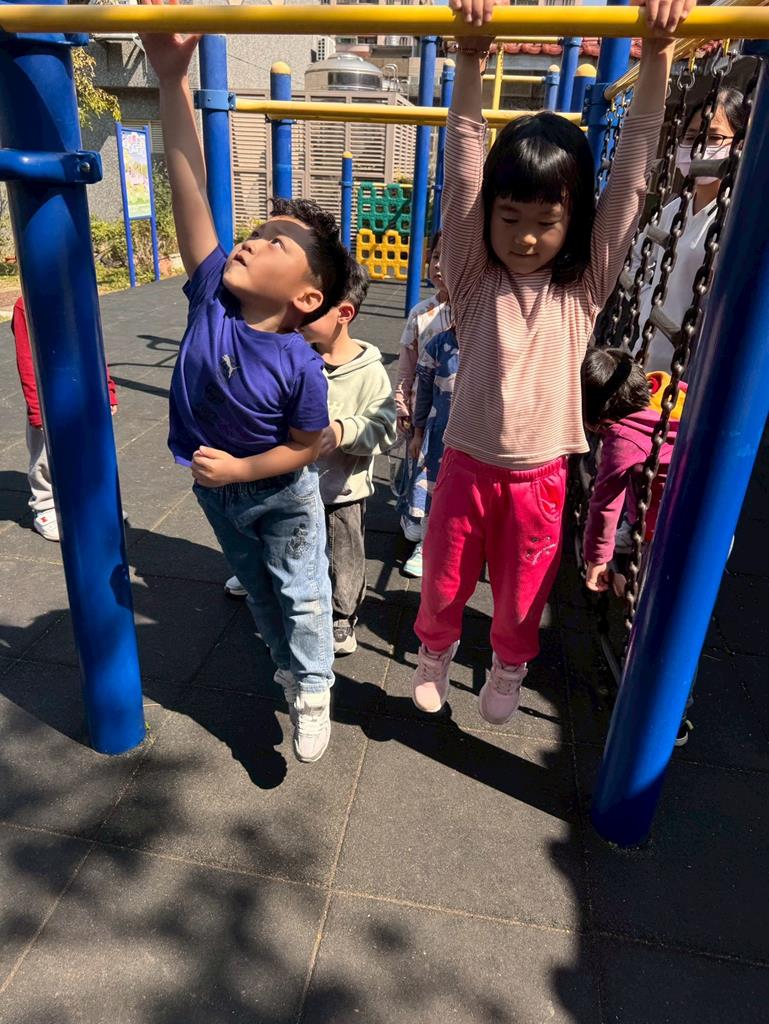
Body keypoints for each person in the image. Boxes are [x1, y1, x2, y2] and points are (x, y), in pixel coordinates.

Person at [410, 0, 696, 724]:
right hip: (467, 463)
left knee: (524, 591)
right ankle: (435, 650)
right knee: (442, 580)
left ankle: (508, 665)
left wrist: (658, 57)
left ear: (572, 223)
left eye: (545, 222)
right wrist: (469, 59)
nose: (526, 237)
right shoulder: (471, 277)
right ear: (489, 218)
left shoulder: (582, 287)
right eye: (509, 218)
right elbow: (462, 173)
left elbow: (629, 181)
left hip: (538, 475)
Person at [138, 0, 350, 764]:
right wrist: (171, 81)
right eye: (256, 234)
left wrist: (238, 471)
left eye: (275, 244)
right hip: (216, 489)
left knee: (301, 593)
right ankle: (288, 670)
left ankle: (315, 686)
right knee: (258, 593)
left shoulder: (299, 364)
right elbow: (189, 190)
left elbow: (308, 447)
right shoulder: (212, 298)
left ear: (307, 298)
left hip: (279, 490)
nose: (253, 242)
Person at [225, 261, 397, 657]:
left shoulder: (369, 372)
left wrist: (343, 431)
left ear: (343, 313)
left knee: (341, 553)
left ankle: (340, 614)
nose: (296, 313)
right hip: (289, 481)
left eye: (309, 307)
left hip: (340, 490)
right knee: (280, 539)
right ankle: (261, 581)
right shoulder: (295, 354)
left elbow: (385, 427)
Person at [631, 87, 746, 371]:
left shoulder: (737, 219)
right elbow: (639, 259)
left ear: (740, 144)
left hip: (695, 369)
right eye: (692, 137)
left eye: (714, 137)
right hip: (648, 352)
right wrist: (645, 302)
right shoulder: (673, 210)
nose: (700, 147)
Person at [11, 295, 119, 542]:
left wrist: (107, 389)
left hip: (85, 390)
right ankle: (46, 505)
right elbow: (27, 360)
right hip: (48, 394)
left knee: (91, 448)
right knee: (45, 454)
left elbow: (94, 345)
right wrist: (37, 409)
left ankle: (90, 502)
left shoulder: (80, 294)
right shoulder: (27, 304)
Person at [580, 347, 686, 592]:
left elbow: (605, 503)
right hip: (713, 514)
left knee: (652, 589)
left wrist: (597, 559)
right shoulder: (664, 390)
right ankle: (630, 526)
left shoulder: (623, 438)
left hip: (670, 527)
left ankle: (635, 594)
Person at [393, 232, 451, 543]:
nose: (438, 265)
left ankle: (433, 530)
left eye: (448, 258)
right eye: (436, 256)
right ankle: (416, 524)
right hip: (422, 408)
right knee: (418, 466)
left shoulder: (475, 314)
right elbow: (407, 363)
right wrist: (401, 403)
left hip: (454, 410)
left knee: (446, 474)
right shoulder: (421, 312)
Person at [404, 323, 460, 578]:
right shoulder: (438, 345)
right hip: (439, 431)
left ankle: (459, 549)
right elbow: (423, 392)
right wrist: (418, 433)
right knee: (431, 490)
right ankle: (425, 544)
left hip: (475, 436)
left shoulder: (492, 343)